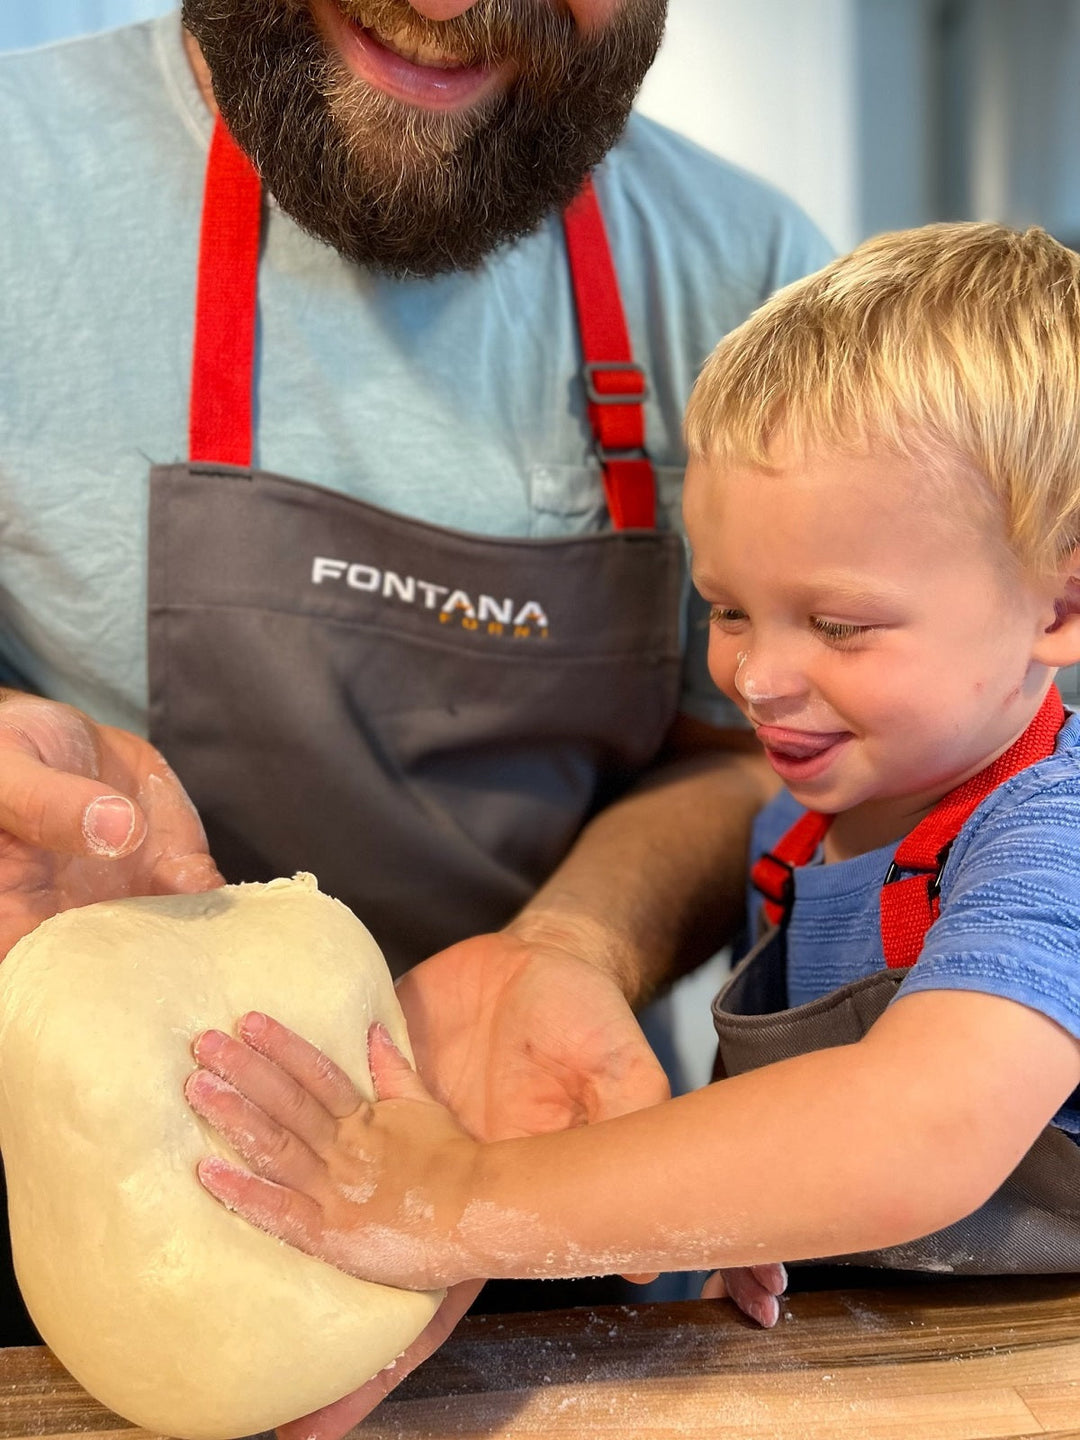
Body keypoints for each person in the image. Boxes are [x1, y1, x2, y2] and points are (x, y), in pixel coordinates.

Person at [0, 0, 831, 1428]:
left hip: (554, 1191)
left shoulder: (750, 283)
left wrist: (575, 942)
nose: (447, 7)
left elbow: (749, 753)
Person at [185, 221, 1080, 1335]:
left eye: (839, 626)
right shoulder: (808, 826)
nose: (756, 677)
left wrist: (450, 1200)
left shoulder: (1050, 840)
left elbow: (923, 1126)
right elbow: (806, 1142)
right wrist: (747, 1227)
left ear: (1059, 609)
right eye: (730, 609)